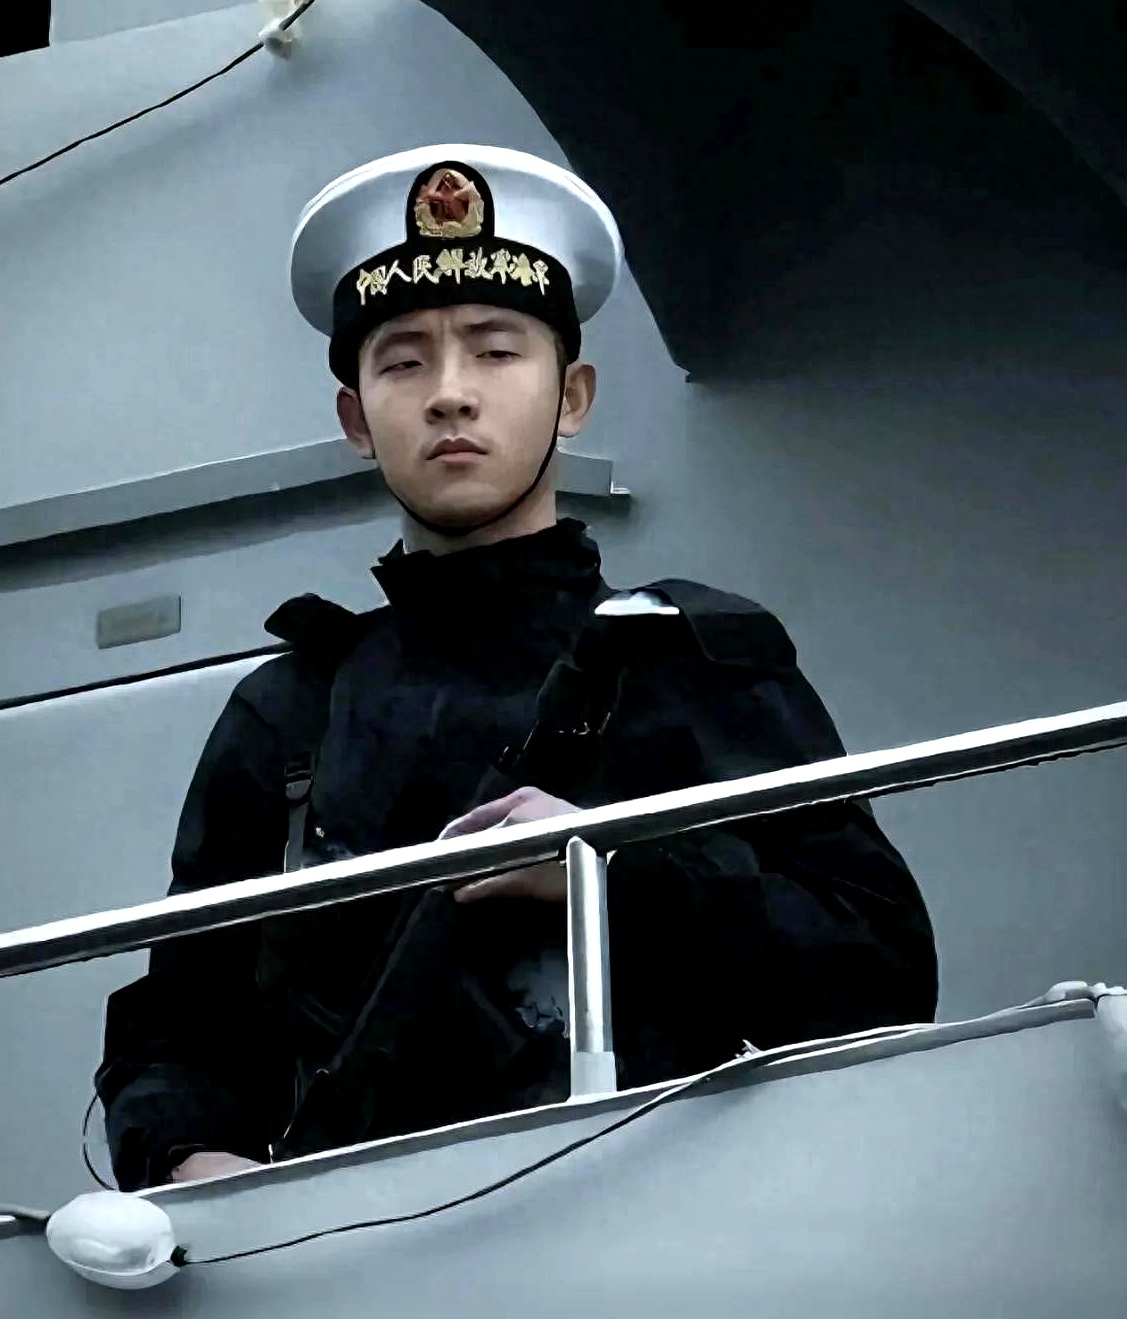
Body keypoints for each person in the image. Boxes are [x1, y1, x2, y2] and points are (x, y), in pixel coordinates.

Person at [96, 145, 937, 1190]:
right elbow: (176, 1024)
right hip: (351, 1242)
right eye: (403, 362)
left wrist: (610, 873)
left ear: (572, 396)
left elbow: (881, 973)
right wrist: (186, 1159)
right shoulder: (289, 711)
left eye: (496, 351)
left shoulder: (689, 659)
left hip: (668, 1215)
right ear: (356, 419)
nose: (450, 395)